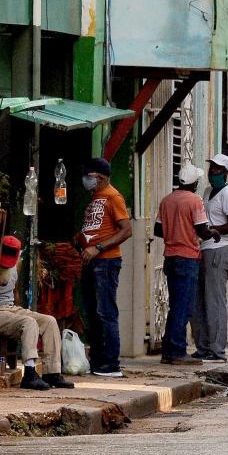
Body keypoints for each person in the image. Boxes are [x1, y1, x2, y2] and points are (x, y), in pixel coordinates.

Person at [154, 164, 218, 365]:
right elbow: (202, 230)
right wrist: (213, 233)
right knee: (184, 307)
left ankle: (168, 350)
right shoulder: (194, 200)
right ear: (195, 183)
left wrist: (175, 232)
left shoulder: (167, 200)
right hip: (187, 257)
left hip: (170, 257)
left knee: (175, 305)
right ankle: (177, 351)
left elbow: (158, 229)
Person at [0, 236, 75, 390]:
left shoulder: (16, 266)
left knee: (49, 321)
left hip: (10, 308)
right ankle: (29, 373)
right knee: (29, 323)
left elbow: (15, 292)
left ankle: (52, 373)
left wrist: (18, 312)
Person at [75, 157, 132, 378]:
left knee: (105, 311)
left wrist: (97, 247)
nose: (84, 180)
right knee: (93, 312)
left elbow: (126, 230)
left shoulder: (113, 197)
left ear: (98, 177)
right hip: (91, 261)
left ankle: (110, 363)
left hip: (106, 262)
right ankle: (98, 360)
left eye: (87, 176)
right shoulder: (96, 197)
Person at [190, 154, 228, 363]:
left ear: (226, 172)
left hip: (218, 249)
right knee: (199, 301)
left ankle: (217, 350)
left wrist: (213, 230)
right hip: (203, 248)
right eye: (212, 168)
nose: (213, 173)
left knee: (214, 301)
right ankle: (202, 346)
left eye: (218, 170)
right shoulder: (208, 191)